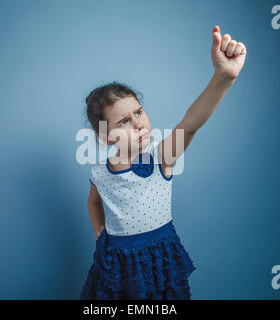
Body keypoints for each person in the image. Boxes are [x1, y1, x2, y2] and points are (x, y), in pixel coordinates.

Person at [80, 26, 247, 300]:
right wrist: (99, 232)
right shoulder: (100, 172)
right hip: (115, 263)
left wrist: (223, 78)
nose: (138, 123)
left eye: (138, 112)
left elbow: (191, 124)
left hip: (156, 259)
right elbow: (94, 202)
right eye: (124, 121)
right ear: (106, 137)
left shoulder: (161, 157)